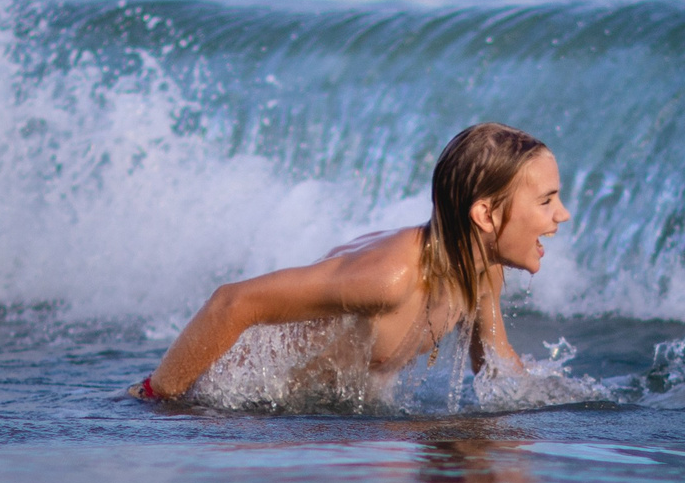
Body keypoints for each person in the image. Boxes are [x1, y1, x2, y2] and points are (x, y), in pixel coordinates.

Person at [138, 122, 568, 402]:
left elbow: (495, 363)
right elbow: (232, 302)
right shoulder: (391, 279)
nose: (561, 214)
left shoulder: (481, 270)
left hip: (318, 409)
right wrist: (157, 398)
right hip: (226, 400)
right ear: (486, 215)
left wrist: (561, 396)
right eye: (547, 200)